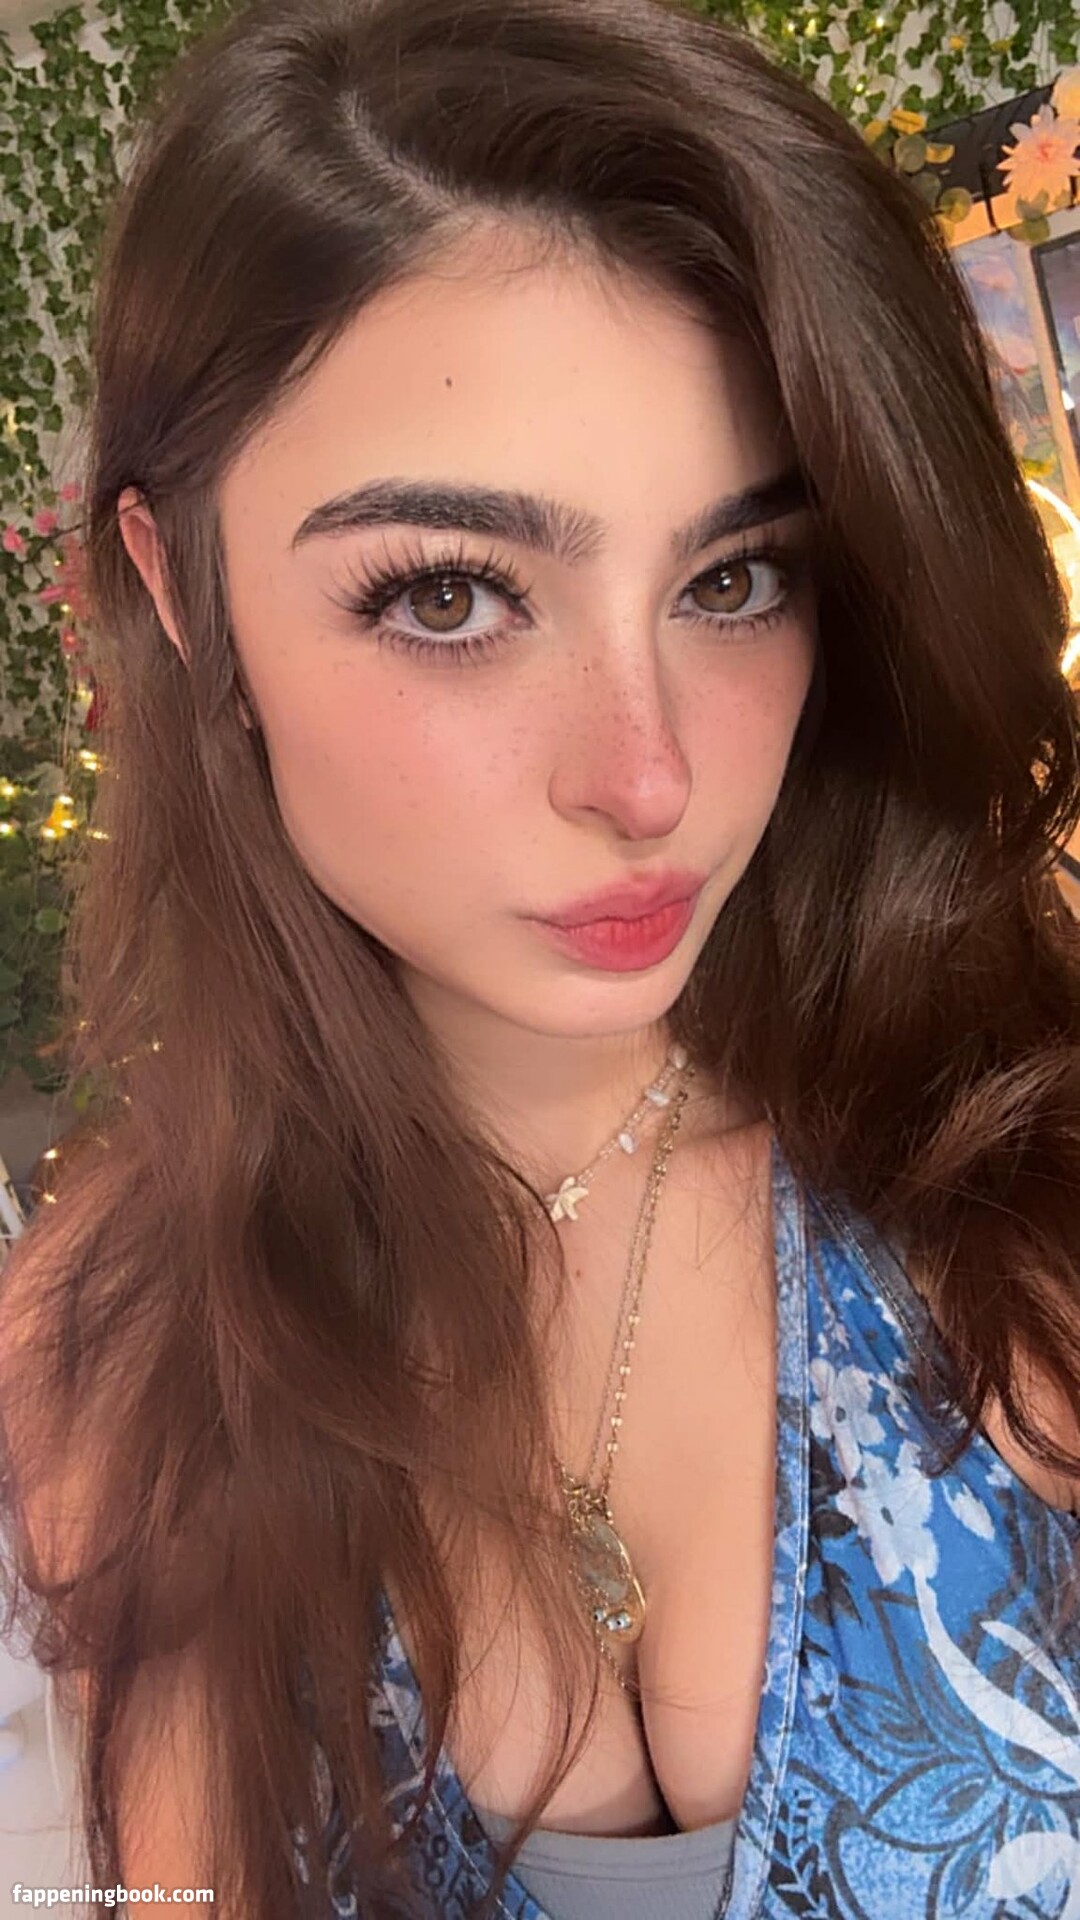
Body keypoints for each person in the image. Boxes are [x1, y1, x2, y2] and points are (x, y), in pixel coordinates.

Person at [1, 0, 1079, 1913]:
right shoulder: (114, 1350)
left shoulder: (1020, 1186)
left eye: (732, 577)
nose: (648, 777)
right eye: (450, 593)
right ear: (179, 590)